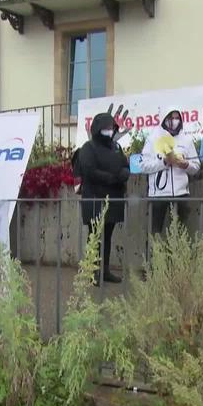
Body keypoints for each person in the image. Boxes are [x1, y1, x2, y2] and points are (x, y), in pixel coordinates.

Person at [77, 112, 130, 285]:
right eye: (106, 128)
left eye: (111, 128)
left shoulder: (116, 147)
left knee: (107, 236)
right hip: (95, 198)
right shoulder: (88, 148)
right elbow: (89, 171)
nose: (109, 131)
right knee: (95, 237)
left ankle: (105, 270)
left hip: (113, 199)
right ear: (98, 129)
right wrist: (112, 178)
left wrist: (124, 173)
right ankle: (91, 272)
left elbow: (124, 164)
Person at [138, 107, 200, 235]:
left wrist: (186, 165)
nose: (174, 121)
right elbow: (143, 165)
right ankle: (155, 255)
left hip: (181, 194)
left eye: (177, 118)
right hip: (158, 195)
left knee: (180, 233)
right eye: (171, 118)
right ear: (164, 119)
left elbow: (196, 166)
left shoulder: (186, 140)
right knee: (155, 233)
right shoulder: (152, 139)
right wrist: (164, 162)